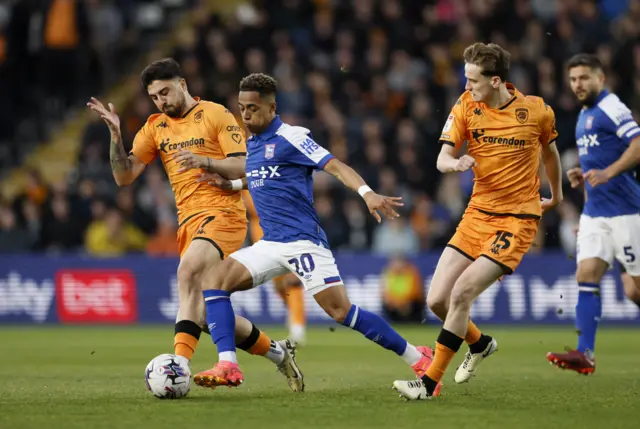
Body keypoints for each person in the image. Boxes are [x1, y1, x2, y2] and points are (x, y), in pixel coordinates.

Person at [192, 72, 439, 392]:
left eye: (253, 108)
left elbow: (335, 166)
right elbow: (264, 177)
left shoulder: (292, 137)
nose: (246, 114)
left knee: (340, 311)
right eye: (242, 107)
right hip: (270, 243)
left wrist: (367, 193)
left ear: (271, 108)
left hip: (304, 243)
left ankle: (417, 357)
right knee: (214, 280)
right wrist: (234, 184)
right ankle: (228, 364)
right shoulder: (252, 144)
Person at [86, 58, 303, 392]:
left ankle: (177, 367)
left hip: (223, 215)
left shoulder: (215, 114)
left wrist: (206, 161)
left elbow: (245, 164)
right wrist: (116, 136)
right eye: (155, 96)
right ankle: (277, 353)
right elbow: (124, 176)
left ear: (183, 84)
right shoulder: (155, 126)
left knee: (186, 273)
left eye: (165, 92)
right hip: (188, 223)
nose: (161, 101)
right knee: (201, 315)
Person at [392, 42, 562, 400]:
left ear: (496, 80)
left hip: (516, 220)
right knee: (437, 301)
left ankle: (428, 384)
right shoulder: (466, 105)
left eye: (473, 80)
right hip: (476, 215)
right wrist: (455, 164)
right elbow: (442, 157)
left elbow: (550, 152)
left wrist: (557, 195)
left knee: (461, 293)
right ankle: (480, 343)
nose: (466, 86)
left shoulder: (535, 112)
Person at [546, 54, 640, 374]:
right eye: (573, 79)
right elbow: (596, 167)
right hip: (596, 213)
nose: (578, 85)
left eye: (584, 78)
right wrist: (583, 179)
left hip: (627, 213)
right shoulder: (584, 115)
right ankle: (585, 354)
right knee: (586, 275)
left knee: (635, 288)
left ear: (601, 78)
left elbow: (638, 145)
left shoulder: (611, 107)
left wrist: (609, 172)